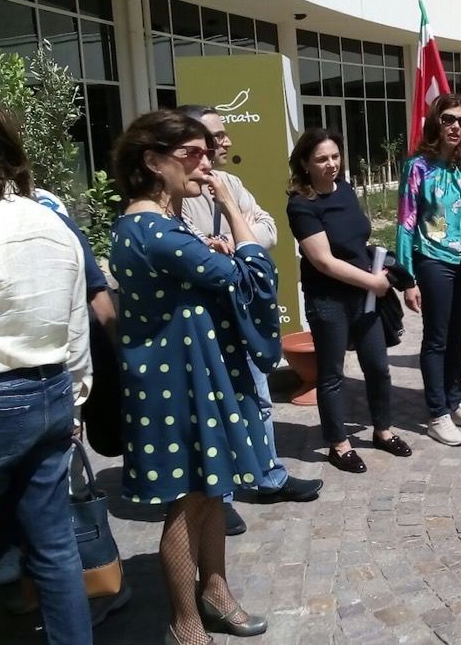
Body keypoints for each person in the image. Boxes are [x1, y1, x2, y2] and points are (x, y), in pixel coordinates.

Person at [110, 110, 281, 645]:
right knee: (187, 502)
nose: (206, 163)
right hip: (176, 385)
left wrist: (207, 250)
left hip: (193, 375)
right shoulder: (153, 230)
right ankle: (185, 624)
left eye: (207, 151)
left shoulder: (162, 226)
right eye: (193, 153)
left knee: (212, 492)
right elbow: (254, 273)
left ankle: (216, 592)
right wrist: (230, 206)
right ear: (153, 162)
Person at [0, 98, 93, 645]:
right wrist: (78, 396)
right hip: (51, 390)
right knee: (56, 547)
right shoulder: (51, 223)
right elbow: (76, 321)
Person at [178, 105, 321, 536]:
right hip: (205, 324)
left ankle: (267, 478)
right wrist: (233, 245)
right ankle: (219, 500)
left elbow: (269, 229)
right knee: (213, 412)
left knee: (258, 400)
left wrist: (237, 242)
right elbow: (196, 255)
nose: (226, 143)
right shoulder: (176, 195)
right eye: (216, 137)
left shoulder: (230, 184)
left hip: (240, 313)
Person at [287, 128, 412, 472]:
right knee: (332, 375)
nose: (331, 164)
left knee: (378, 368)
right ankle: (338, 444)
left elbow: (356, 242)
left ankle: (383, 431)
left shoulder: (344, 189)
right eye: (321, 159)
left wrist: (380, 275)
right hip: (329, 301)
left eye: (335, 156)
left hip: (364, 297)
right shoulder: (301, 204)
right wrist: (373, 281)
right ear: (305, 164)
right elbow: (323, 261)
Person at [397, 93, 461, 446]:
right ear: (436, 121)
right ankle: (437, 413)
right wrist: (406, 278)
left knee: (456, 336)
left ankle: (455, 401)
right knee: (436, 338)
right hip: (433, 259)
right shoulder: (418, 166)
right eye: (448, 119)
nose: (455, 126)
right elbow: (406, 223)